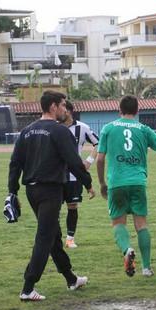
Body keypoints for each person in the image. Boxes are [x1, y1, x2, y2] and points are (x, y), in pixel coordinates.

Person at [8, 90, 94, 302]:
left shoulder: (26, 131)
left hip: (32, 191)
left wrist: (12, 191)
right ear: (53, 107)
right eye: (63, 105)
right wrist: (88, 183)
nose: (65, 109)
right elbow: (74, 162)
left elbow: (15, 163)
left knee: (53, 235)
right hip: (50, 190)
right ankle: (28, 287)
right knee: (45, 237)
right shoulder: (59, 131)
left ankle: (71, 278)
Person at [96, 95, 156, 277]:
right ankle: (147, 268)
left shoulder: (108, 128)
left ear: (119, 110)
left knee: (118, 222)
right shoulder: (144, 129)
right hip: (137, 182)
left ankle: (127, 250)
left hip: (116, 182)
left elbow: (100, 158)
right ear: (137, 111)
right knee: (141, 224)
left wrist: (102, 183)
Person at [61, 101, 99, 249]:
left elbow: (98, 143)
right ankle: (53, 238)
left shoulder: (82, 128)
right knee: (52, 208)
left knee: (72, 206)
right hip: (55, 175)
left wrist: (89, 160)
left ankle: (70, 238)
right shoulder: (54, 127)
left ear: (68, 111)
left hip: (74, 176)